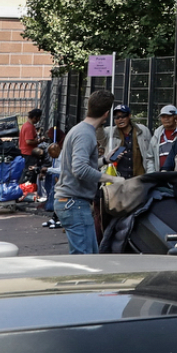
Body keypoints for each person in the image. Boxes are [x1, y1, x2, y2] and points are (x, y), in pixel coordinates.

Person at [54, 90, 116, 255]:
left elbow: (78, 165)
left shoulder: (79, 130)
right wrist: (111, 178)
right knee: (84, 259)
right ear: (106, 113)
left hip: (72, 202)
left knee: (90, 257)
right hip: (74, 202)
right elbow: (80, 169)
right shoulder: (85, 134)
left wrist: (105, 160)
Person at [104, 106, 148, 179]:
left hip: (138, 178)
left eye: (123, 116)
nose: (120, 119)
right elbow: (99, 136)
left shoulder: (142, 130)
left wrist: (150, 175)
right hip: (117, 178)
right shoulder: (110, 132)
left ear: (129, 116)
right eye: (117, 117)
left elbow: (150, 155)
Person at [152, 105, 177, 172]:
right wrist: (152, 173)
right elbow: (150, 157)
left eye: (169, 116)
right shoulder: (157, 134)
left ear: (175, 117)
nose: (166, 119)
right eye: (163, 117)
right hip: (159, 175)